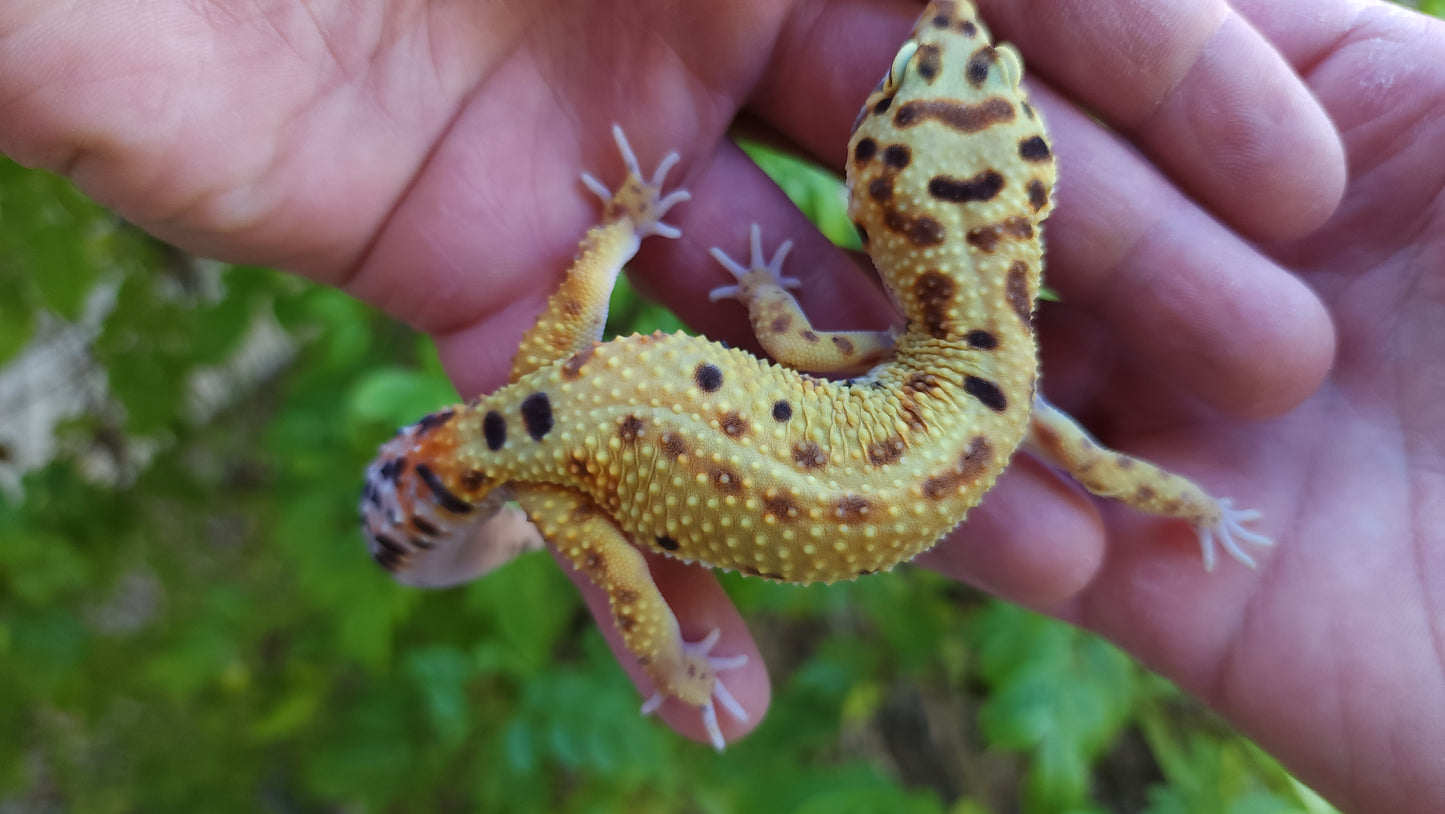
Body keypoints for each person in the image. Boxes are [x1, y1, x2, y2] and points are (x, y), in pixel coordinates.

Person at [2, 0, 1440, 809]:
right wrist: (1190, 501)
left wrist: (648, 250)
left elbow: (800, 345)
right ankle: (590, 562)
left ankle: (585, 290)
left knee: (600, 500)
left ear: (884, 198)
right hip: (593, 436)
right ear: (1030, 201)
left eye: (972, 68)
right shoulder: (1000, 401)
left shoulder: (922, 374)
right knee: (646, 604)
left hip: (590, 407)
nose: (965, 38)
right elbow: (1093, 468)